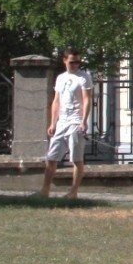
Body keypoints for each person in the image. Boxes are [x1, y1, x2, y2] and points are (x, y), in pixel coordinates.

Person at [42, 49, 94, 200]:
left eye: (78, 62)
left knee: (76, 159)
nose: (75, 65)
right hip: (62, 122)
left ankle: (73, 192)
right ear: (65, 61)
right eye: (72, 62)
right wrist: (53, 123)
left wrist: (84, 121)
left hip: (76, 122)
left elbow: (86, 99)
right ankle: (45, 190)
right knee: (51, 158)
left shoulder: (84, 78)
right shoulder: (60, 78)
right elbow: (56, 101)